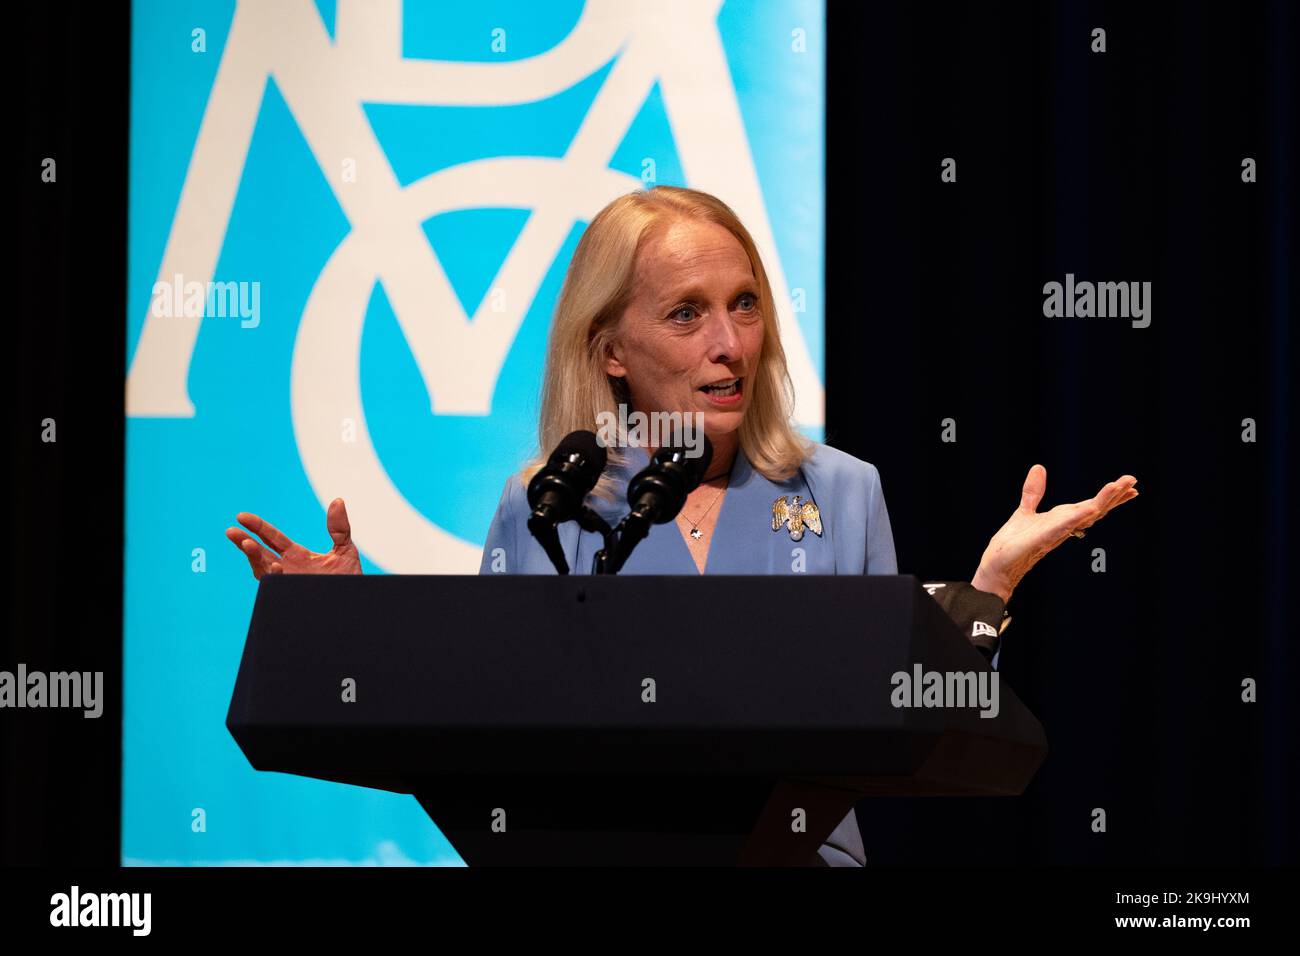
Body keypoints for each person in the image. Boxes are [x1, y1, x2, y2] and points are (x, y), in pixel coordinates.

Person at [227, 185, 1138, 866]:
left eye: (744, 305)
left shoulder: (843, 492)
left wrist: (989, 592)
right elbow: (482, 728)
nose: (730, 344)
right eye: (686, 313)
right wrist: (346, 634)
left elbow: (910, 719)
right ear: (611, 351)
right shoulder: (548, 508)